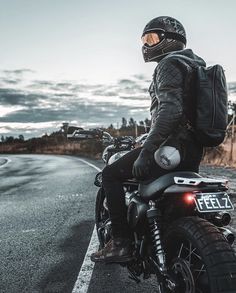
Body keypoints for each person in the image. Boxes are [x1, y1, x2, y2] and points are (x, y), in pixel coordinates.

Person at [91, 16, 205, 263]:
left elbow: (170, 111)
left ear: (172, 39)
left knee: (111, 174)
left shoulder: (168, 64)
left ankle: (120, 243)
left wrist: (147, 150)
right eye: (145, 39)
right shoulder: (196, 65)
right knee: (166, 197)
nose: (147, 44)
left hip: (170, 148)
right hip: (192, 149)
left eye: (152, 38)